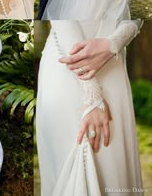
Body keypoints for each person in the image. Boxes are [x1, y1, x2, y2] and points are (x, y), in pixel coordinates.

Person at [36, 19, 144, 196]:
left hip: (113, 63)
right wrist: (92, 94)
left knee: (114, 175)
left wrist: (114, 42)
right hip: (68, 61)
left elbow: (132, 10)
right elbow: (61, 14)